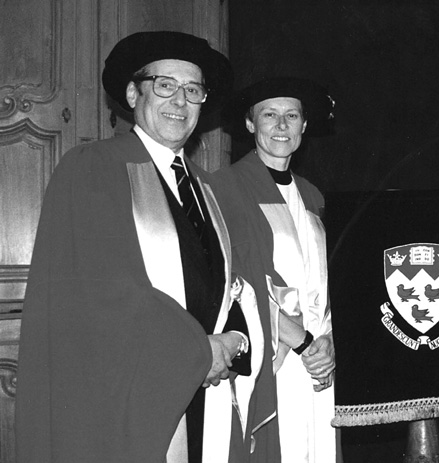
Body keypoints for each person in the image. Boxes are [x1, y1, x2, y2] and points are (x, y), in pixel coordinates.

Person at [15, 31, 272, 463]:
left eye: (193, 90)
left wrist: (237, 340)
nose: (180, 101)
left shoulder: (206, 187)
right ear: (134, 93)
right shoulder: (93, 168)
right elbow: (99, 291)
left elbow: (233, 282)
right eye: (165, 85)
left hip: (203, 391)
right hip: (131, 397)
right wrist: (198, 350)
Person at [214, 77, 337, 462]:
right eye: (270, 115)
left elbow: (326, 283)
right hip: (274, 358)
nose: (282, 125)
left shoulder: (312, 196)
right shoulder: (226, 188)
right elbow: (234, 283)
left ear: (304, 125)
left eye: (292, 115)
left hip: (317, 361)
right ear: (251, 124)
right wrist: (301, 340)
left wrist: (328, 343)